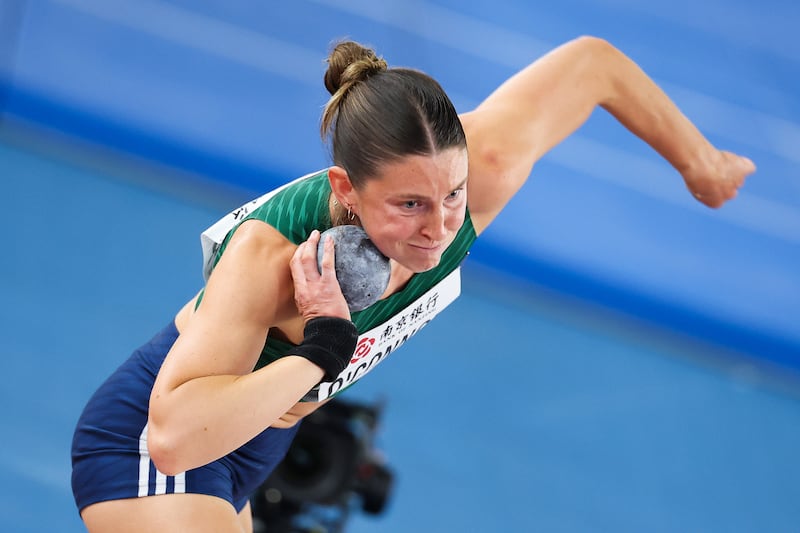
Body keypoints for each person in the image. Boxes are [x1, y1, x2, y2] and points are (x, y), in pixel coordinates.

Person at [71, 36, 754, 532]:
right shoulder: (271, 256)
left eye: (451, 194)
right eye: (409, 206)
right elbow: (173, 436)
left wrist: (701, 163)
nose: (437, 228)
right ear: (347, 189)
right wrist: (322, 349)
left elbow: (592, 65)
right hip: (154, 445)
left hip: (255, 447)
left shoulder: (480, 167)